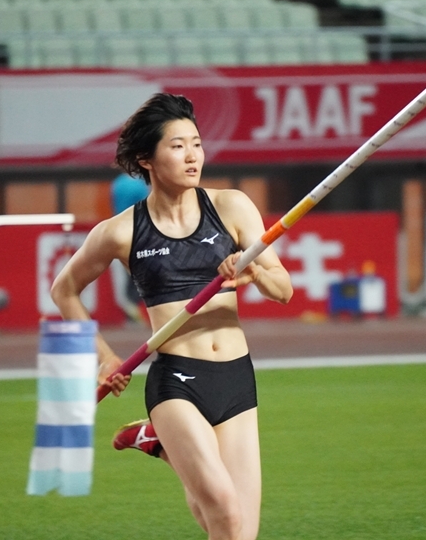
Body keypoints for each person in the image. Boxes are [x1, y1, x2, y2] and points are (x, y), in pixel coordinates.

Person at [51, 93, 293, 540]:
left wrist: (254, 270)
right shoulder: (121, 231)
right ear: (146, 158)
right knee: (223, 508)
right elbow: (63, 289)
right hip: (176, 380)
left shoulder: (231, 207)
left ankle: (159, 444)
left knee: (235, 530)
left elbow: (284, 291)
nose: (192, 156)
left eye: (197, 143)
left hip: (237, 379)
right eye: (178, 145)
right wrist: (105, 359)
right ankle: (166, 434)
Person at [109, 171, 149, 323]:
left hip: (121, 230)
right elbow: (146, 208)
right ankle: (135, 309)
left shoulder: (117, 183)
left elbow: (113, 206)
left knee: (128, 269)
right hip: (138, 231)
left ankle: (131, 312)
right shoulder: (140, 185)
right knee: (139, 271)